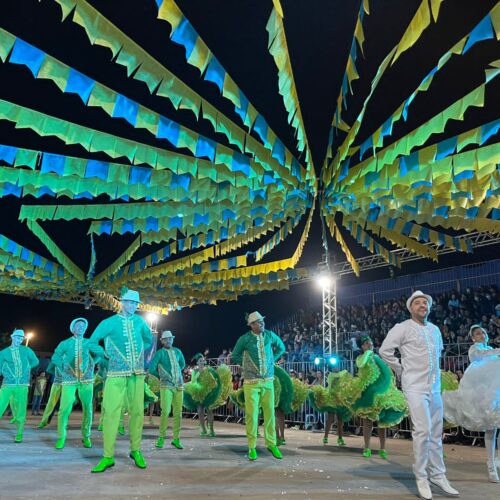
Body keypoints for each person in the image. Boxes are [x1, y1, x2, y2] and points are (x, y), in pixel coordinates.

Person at [380, 291, 459, 500]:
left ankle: (438, 475)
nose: (422, 305)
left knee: (436, 433)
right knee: (422, 431)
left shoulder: (434, 330)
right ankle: (422, 476)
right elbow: (385, 350)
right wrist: (401, 370)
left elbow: (437, 355)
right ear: (410, 307)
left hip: (434, 387)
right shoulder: (403, 328)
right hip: (414, 386)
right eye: (418, 303)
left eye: (425, 302)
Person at [88, 288, 153, 473]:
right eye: (130, 302)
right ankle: (108, 456)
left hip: (137, 374)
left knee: (138, 412)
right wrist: (105, 354)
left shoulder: (140, 322)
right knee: (111, 413)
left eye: (135, 303)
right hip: (115, 374)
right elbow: (92, 342)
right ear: (122, 302)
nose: (133, 306)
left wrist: (138, 354)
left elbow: (148, 340)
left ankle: (136, 450)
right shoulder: (109, 323)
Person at [443, 324, 500, 482]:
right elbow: (481, 355)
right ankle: (491, 465)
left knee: (498, 426)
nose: (481, 335)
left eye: (483, 332)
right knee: (490, 429)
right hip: (482, 394)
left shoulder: (492, 351)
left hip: (496, 393)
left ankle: (497, 460)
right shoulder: (475, 350)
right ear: (473, 338)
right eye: (477, 333)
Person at [231, 311, 285, 460]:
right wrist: (245, 365)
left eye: (262, 321)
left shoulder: (269, 335)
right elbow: (235, 355)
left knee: (270, 413)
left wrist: (271, 360)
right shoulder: (245, 339)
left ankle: (272, 444)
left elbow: (281, 347)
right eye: (258, 322)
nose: (262, 324)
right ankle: (251, 446)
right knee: (252, 415)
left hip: (268, 381)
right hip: (251, 383)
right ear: (252, 325)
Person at [347, 335, 408, 459]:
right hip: (369, 393)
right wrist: (368, 353)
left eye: (370, 342)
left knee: (382, 422)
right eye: (366, 343)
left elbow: (387, 373)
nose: (369, 344)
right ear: (362, 346)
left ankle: (382, 448)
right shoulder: (361, 358)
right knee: (368, 421)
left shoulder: (376, 357)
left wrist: (389, 388)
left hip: (380, 393)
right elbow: (361, 364)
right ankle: (367, 447)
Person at [51, 318, 104, 449]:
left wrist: (93, 362)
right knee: (64, 408)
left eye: (83, 326)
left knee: (88, 408)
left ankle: (86, 436)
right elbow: (55, 357)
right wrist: (63, 366)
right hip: (69, 379)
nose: (81, 327)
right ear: (73, 328)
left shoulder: (88, 342)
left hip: (87, 379)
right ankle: (61, 437)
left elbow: (100, 353)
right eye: (78, 325)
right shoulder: (65, 343)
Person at [0, 329, 39, 442]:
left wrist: (27, 368)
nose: (19, 340)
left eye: (21, 338)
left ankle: (19, 432)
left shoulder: (26, 350)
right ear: (12, 337)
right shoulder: (3, 352)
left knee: (21, 408)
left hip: (22, 384)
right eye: (17, 337)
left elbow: (35, 361)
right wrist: (6, 372)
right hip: (8, 384)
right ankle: (16, 421)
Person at [149, 330, 185, 450]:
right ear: (162, 341)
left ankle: (176, 438)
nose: (169, 340)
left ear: (172, 340)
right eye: (166, 339)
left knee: (178, 413)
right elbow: (151, 368)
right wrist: (162, 376)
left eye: (170, 338)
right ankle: (161, 437)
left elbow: (183, 364)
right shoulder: (159, 353)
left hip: (179, 385)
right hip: (166, 386)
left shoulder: (178, 351)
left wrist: (176, 373)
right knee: (165, 411)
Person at [38, 362, 63, 428]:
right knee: (65, 405)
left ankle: (45, 421)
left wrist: (57, 374)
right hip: (66, 384)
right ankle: (63, 424)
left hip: (57, 383)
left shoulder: (56, 358)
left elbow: (49, 369)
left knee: (51, 403)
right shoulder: (71, 357)